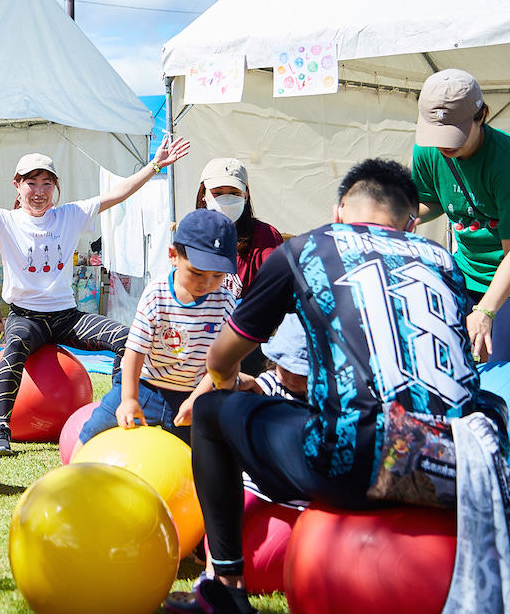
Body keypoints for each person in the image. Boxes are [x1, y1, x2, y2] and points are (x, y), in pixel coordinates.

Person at [164, 159, 482, 614]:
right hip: (459, 468)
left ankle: (226, 587)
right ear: (412, 223)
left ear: (338, 211)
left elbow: (220, 358)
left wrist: (223, 385)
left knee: (214, 413)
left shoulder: (307, 248)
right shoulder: (444, 260)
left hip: (360, 460)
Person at [0, 139, 191, 456]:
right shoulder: (5, 221)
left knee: (125, 337)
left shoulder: (70, 215)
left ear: (55, 187)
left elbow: (119, 192)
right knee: (14, 346)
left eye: (47, 183)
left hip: (66, 318)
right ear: (17, 186)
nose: (39, 191)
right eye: (31, 183)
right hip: (25, 317)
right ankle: (1, 430)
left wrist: (154, 166)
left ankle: (117, 411)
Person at [79, 209, 236, 446]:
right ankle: (72, 475)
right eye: (196, 272)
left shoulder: (225, 302)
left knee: (207, 452)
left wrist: (198, 398)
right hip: (145, 387)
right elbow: (134, 352)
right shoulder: (157, 294)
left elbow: (223, 364)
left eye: (217, 275)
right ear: (173, 255)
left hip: (194, 392)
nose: (206, 283)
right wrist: (129, 398)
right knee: (93, 432)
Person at [411, 68, 510, 363]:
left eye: (455, 132)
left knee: (495, 371)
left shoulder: (504, 162)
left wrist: (486, 311)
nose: (444, 144)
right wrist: (391, 220)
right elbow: (429, 200)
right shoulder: (428, 151)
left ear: (482, 115)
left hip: (503, 284)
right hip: (465, 277)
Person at [194, 158, 284, 375]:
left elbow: (275, 291)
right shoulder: (194, 233)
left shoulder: (265, 236)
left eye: (233, 192)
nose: (226, 199)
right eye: (218, 192)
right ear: (204, 196)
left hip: (247, 339)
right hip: (197, 334)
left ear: (246, 194)